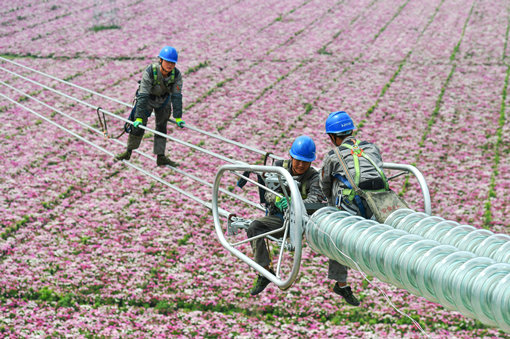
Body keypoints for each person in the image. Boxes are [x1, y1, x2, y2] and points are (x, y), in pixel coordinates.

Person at [320, 110, 388, 306]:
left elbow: (325, 184)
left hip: (351, 209)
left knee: (337, 234)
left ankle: (341, 283)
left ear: (333, 137)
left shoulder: (334, 155)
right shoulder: (372, 148)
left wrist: (328, 204)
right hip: (377, 205)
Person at [247, 135, 324, 296]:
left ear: (311, 162)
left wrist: (294, 204)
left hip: (298, 222)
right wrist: (277, 199)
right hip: (279, 218)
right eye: (298, 160)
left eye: (305, 161)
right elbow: (268, 192)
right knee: (255, 227)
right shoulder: (279, 168)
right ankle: (265, 272)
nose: (301, 165)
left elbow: (313, 201)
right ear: (291, 157)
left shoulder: (314, 178)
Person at [115, 46, 185, 166]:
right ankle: (128, 151)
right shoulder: (150, 72)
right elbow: (143, 95)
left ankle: (160, 156)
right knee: (138, 124)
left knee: (162, 126)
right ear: (160, 60)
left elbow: (177, 96)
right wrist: (138, 117)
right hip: (148, 99)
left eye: (173, 63)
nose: (170, 65)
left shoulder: (176, 74)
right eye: (167, 61)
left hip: (164, 100)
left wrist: (178, 116)